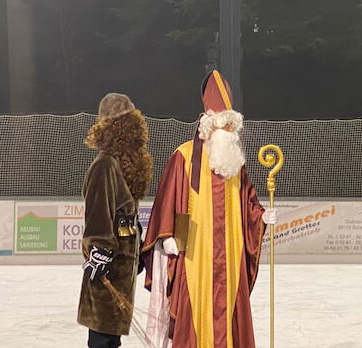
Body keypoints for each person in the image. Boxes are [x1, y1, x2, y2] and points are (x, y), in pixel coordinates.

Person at [140, 71, 277, 348]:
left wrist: (261, 216)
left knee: (229, 309)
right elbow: (168, 199)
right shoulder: (184, 156)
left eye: (230, 127)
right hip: (196, 256)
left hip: (231, 254)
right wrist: (167, 235)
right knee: (195, 305)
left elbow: (248, 201)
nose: (228, 132)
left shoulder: (236, 164)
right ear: (208, 125)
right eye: (223, 126)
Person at [77, 93, 154, 348]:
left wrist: (140, 248)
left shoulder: (123, 166)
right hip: (108, 265)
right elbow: (98, 213)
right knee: (102, 335)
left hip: (123, 265)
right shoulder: (104, 166)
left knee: (111, 335)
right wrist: (99, 251)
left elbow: (128, 215)